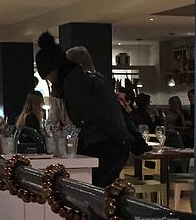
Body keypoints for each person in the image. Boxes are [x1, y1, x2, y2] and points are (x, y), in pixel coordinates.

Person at [35, 31, 130, 186]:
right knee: (103, 193)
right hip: (116, 146)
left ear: (53, 70)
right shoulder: (85, 77)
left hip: (106, 147)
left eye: (48, 78)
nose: (50, 82)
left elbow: (96, 117)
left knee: (90, 194)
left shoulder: (74, 83)